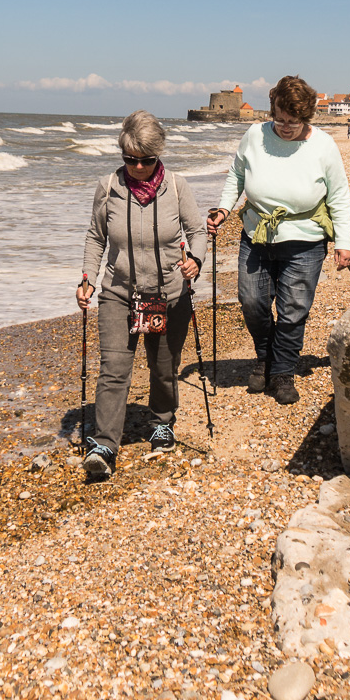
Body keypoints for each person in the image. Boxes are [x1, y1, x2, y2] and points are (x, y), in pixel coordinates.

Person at [208, 76, 350, 405]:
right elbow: (237, 175)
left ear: (307, 117)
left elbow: (340, 196)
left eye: (294, 121)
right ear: (272, 109)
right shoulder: (254, 135)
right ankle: (265, 355)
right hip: (256, 233)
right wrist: (223, 209)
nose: (285, 127)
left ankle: (283, 370)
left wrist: (344, 242)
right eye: (280, 119)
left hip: (305, 239)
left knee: (293, 310)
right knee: (251, 302)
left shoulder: (323, 146)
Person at [77, 111, 205, 479]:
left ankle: (162, 421)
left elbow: (196, 230)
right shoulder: (107, 188)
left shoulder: (178, 188)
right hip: (119, 293)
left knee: (163, 369)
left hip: (168, 294)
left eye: (145, 160)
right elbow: (96, 237)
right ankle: (104, 444)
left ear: (158, 155)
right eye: (129, 159)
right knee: (114, 370)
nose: (137, 167)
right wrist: (87, 278)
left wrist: (195, 260)